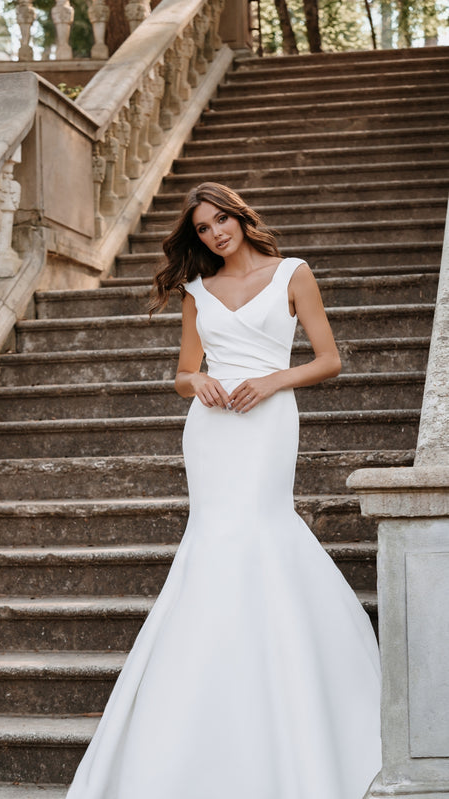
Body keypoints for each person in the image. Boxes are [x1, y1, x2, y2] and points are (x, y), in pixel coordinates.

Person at [65, 182, 382, 799]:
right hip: (212, 429)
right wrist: (199, 383)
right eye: (204, 229)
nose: (215, 233)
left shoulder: (293, 272)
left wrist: (270, 382)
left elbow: (328, 359)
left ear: (240, 216)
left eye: (221, 220)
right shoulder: (196, 291)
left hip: (266, 418)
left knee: (262, 528)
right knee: (213, 540)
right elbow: (183, 372)